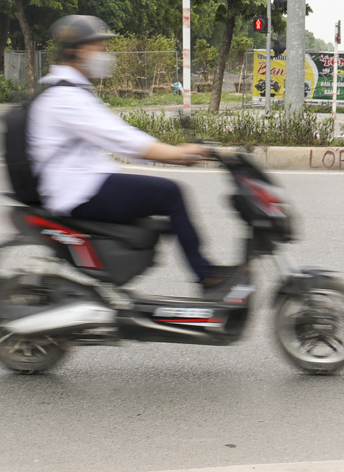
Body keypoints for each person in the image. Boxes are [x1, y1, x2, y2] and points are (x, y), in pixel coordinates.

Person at [28, 15, 224, 291]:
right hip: (77, 191)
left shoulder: (73, 91)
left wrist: (172, 152)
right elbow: (124, 141)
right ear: (76, 51)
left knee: (158, 210)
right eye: (99, 48)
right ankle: (207, 277)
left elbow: (120, 135)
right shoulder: (65, 99)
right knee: (169, 193)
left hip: (85, 183)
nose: (106, 55)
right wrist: (178, 154)